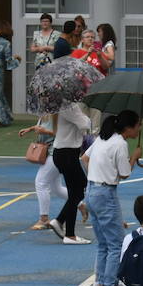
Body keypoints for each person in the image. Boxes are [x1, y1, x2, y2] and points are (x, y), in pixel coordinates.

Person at [84, 109, 142, 286]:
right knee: (116, 243)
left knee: (103, 243)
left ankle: (101, 282)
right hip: (105, 193)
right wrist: (134, 157)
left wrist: (98, 172)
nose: (139, 129)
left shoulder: (103, 138)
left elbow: (85, 158)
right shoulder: (120, 143)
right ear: (129, 127)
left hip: (91, 189)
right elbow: (124, 173)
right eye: (138, 125)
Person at [50, 101, 92, 246]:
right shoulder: (69, 106)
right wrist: (85, 116)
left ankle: (61, 222)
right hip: (66, 154)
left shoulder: (66, 105)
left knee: (77, 191)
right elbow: (85, 124)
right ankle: (69, 233)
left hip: (67, 153)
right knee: (78, 190)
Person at [18, 113, 67, 230]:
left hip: (55, 153)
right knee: (57, 188)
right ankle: (80, 203)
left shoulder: (57, 115)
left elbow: (63, 134)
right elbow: (40, 127)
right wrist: (30, 129)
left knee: (41, 183)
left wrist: (45, 131)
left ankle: (44, 219)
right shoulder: (45, 114)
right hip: (51, 153)